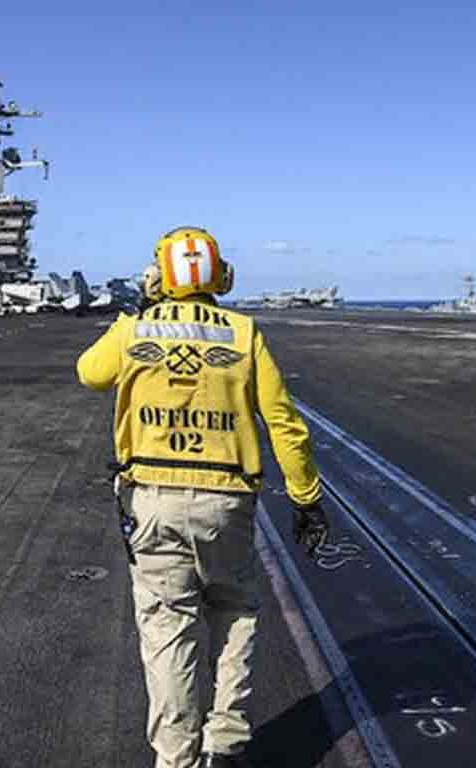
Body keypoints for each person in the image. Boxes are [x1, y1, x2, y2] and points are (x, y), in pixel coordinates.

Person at [77, 226, 330, 768]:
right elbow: (284, 422)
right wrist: (306, 498)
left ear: (159, 275)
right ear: (219, 274)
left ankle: (177, 759)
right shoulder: (243, 332)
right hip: (227, 504)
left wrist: (135, 314)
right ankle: (226, 741)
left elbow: (89, 373)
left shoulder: (135, 329)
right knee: (235, 612)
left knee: (168, 629)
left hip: (153, 500)